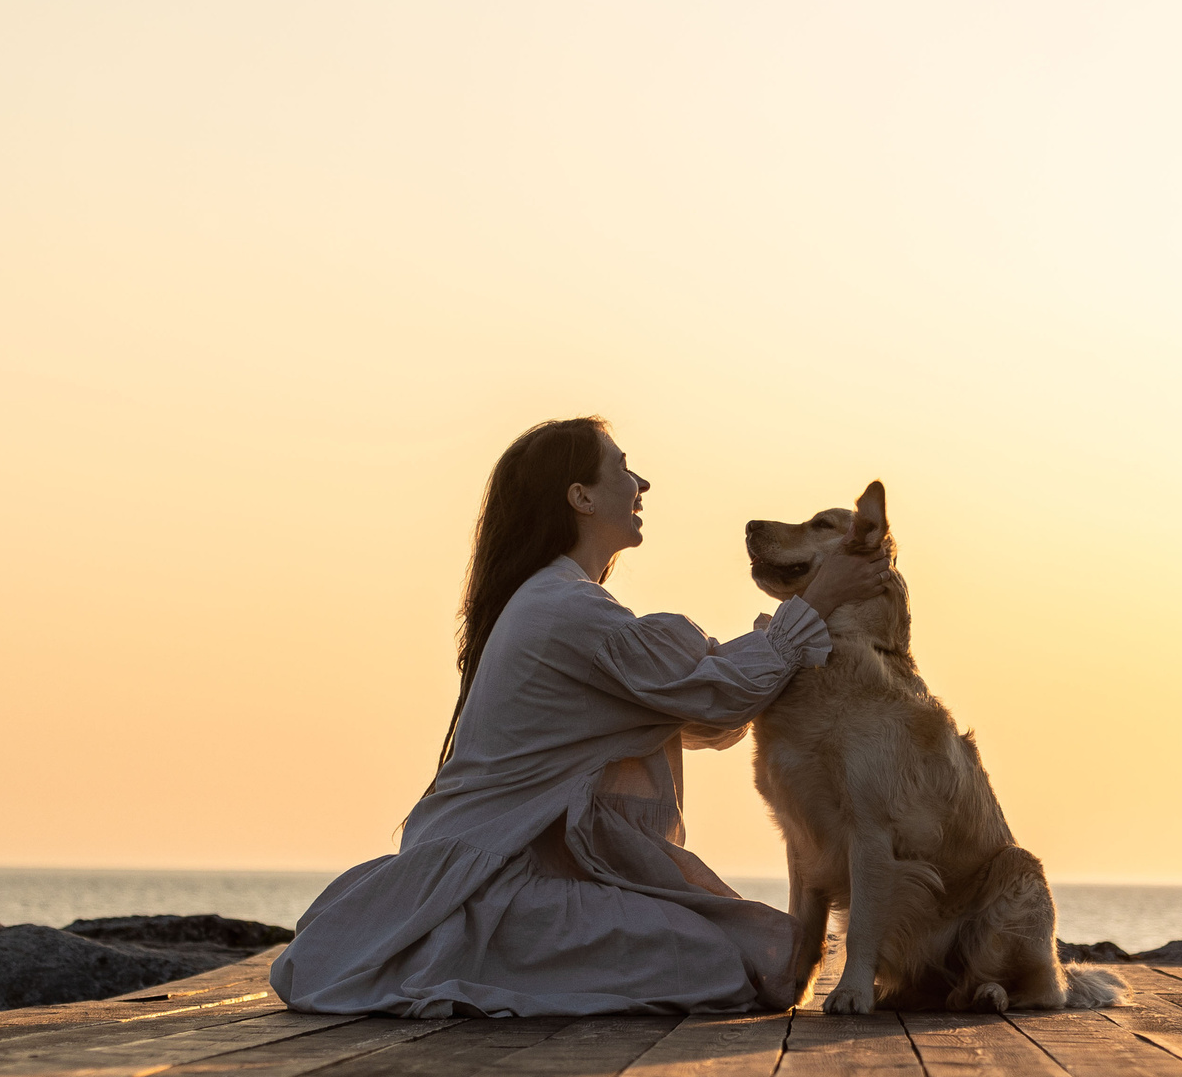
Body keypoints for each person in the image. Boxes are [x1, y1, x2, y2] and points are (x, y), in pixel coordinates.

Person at [271, 416, 892, 1016]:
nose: (641, 485)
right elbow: (716, 696)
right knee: (740, 964)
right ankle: (467, 955)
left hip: (534, 877)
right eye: (623, 469)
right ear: (581, 497)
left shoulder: (566, 603)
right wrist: (820, 597)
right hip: (496, 888)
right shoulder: (565, 610)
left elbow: (706, 710)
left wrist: (805, 623)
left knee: (754, 958)